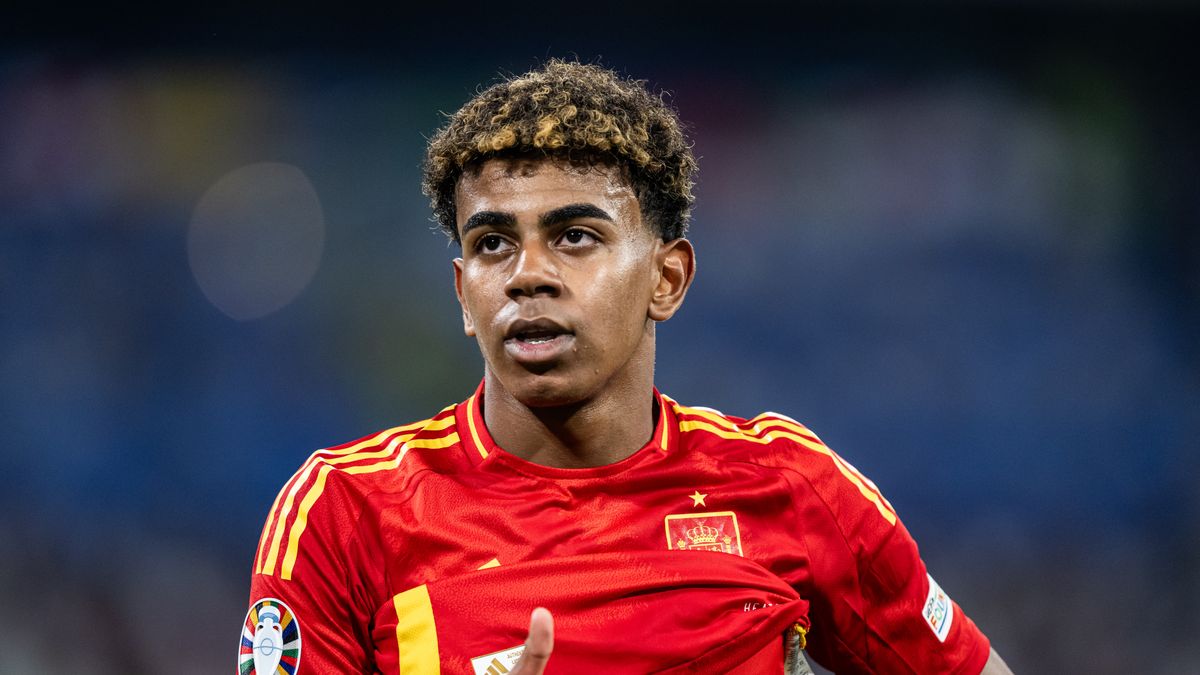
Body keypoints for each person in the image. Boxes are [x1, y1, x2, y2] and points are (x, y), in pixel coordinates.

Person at [243, 59, 1013, 674]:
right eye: (492, 243)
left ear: (666, 279)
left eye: (575, 235)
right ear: (464, 294)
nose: (526, 274)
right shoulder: (345, 514)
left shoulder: (793, 487)